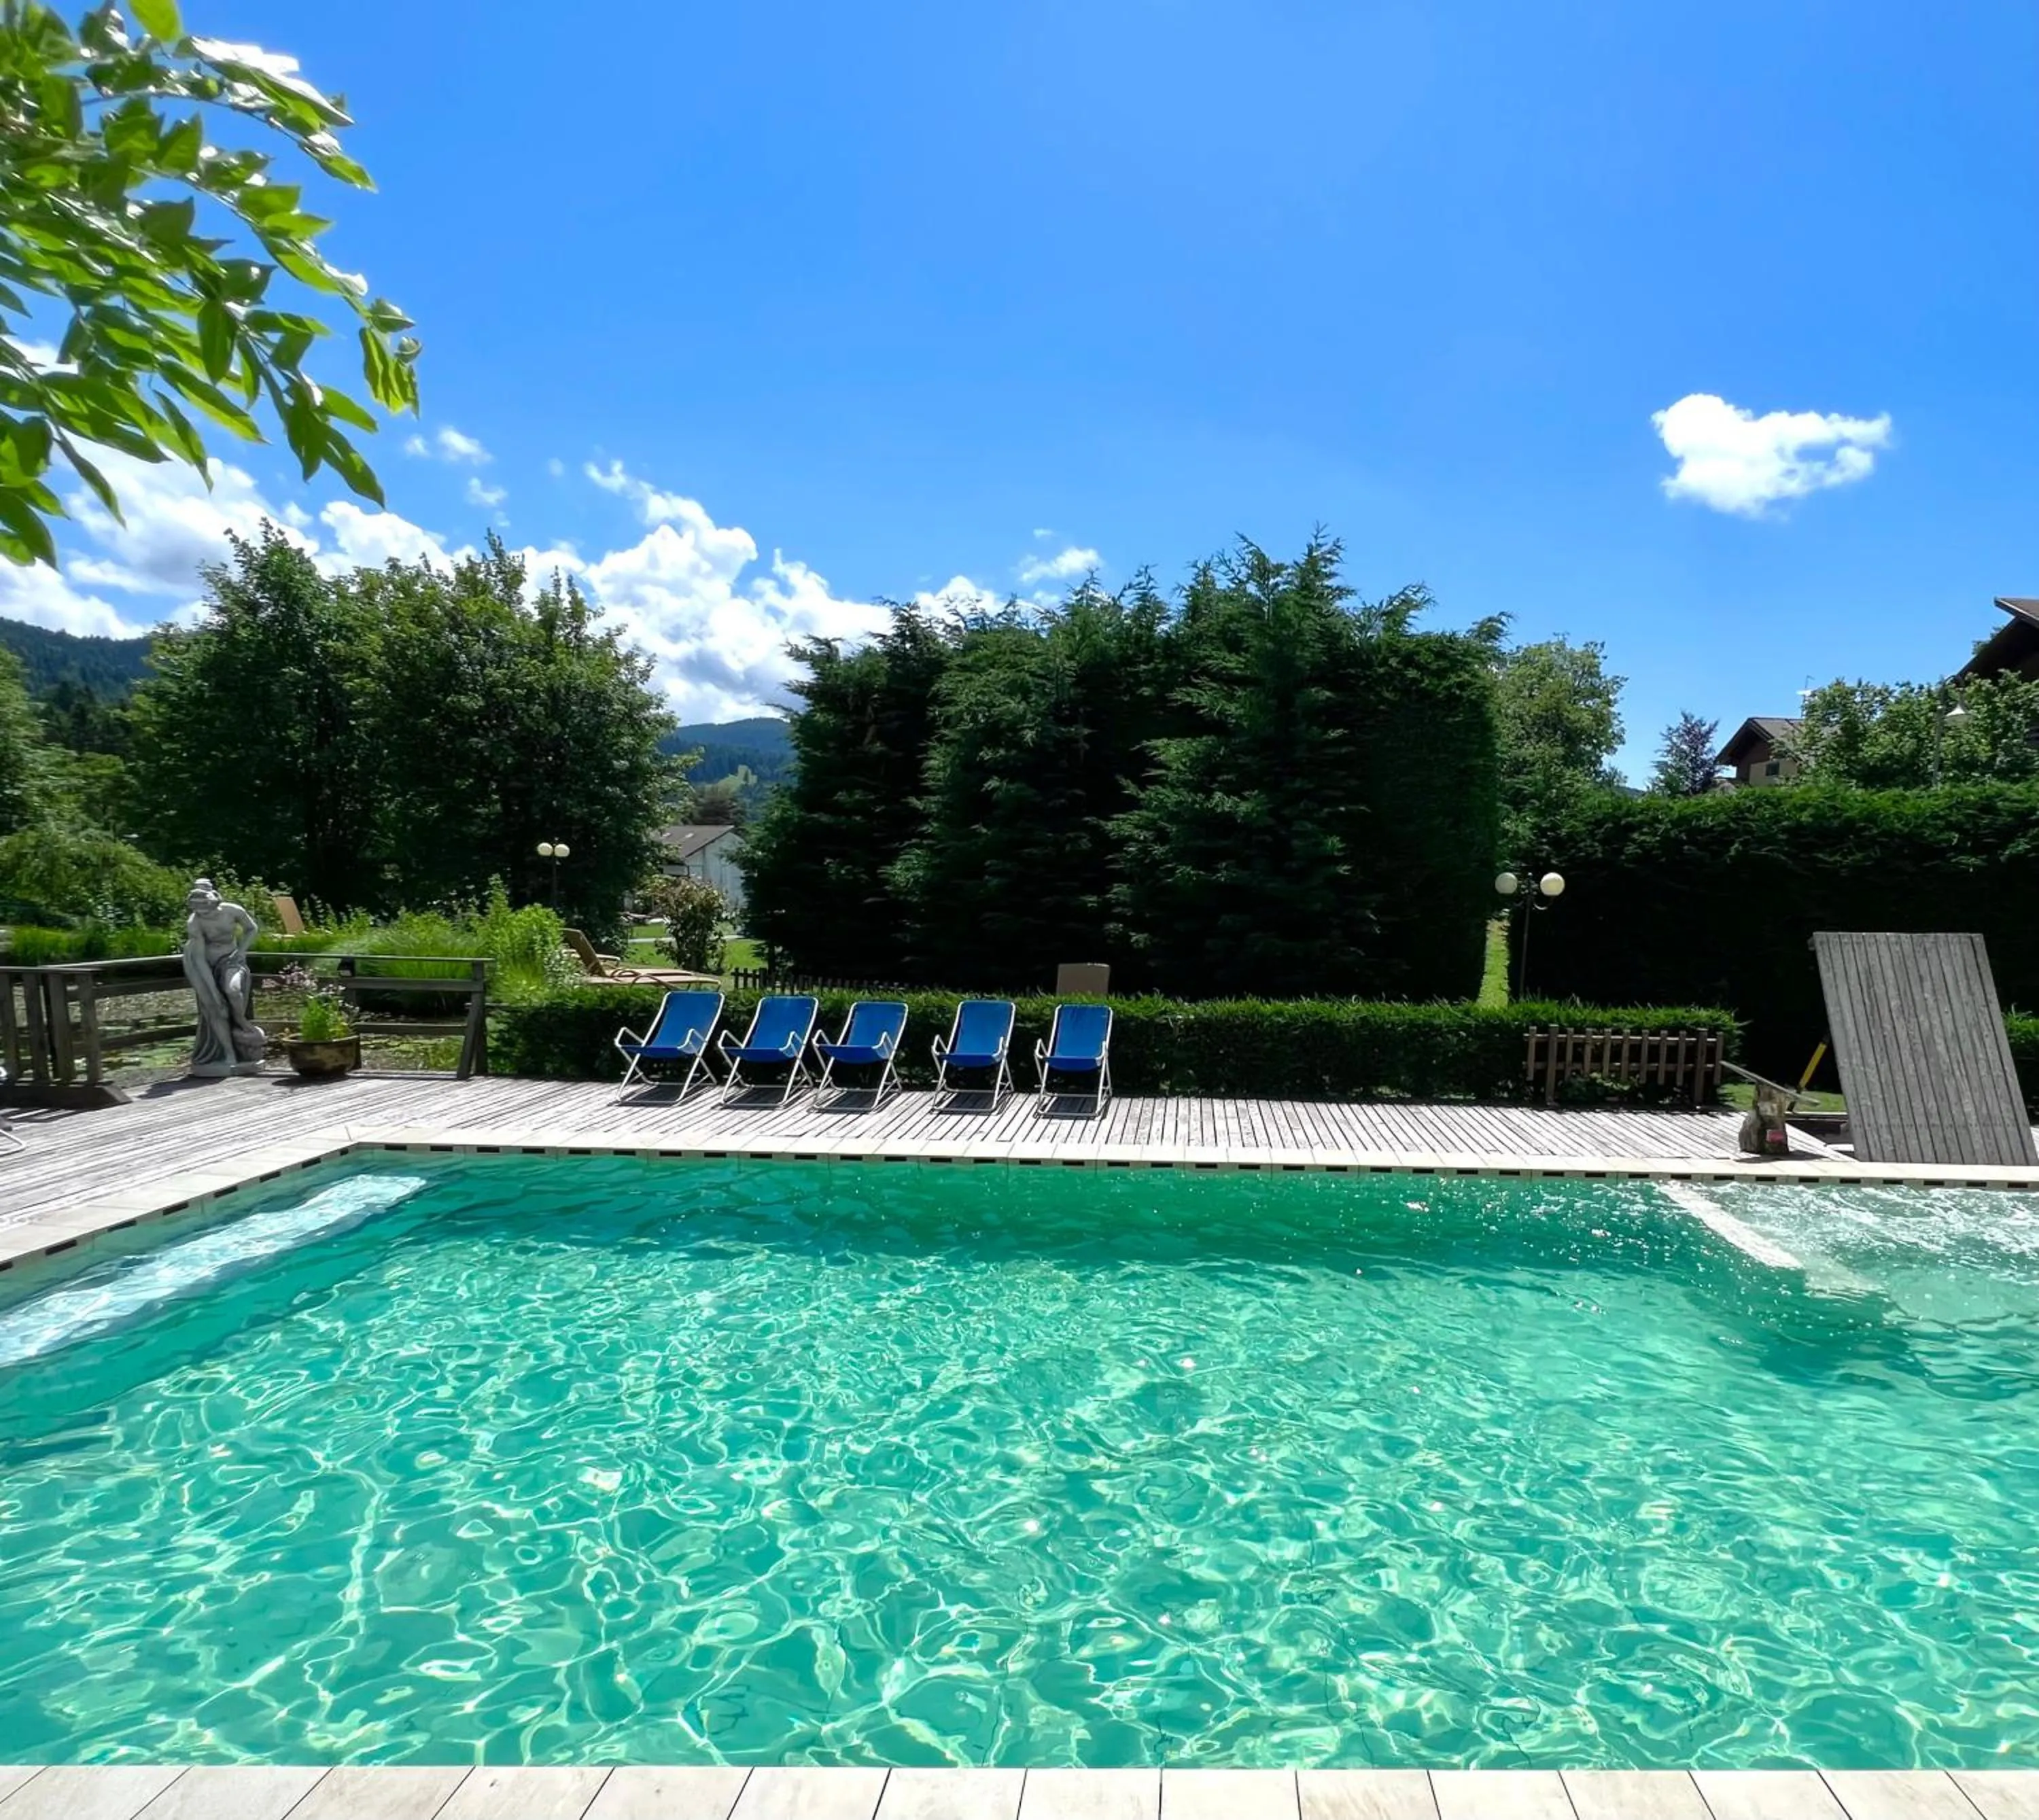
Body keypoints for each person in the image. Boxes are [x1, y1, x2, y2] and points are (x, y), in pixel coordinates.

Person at [181, 879, 266, 1077]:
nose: (203, 911)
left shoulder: (232, 911)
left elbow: (251, 928)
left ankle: (240, 1020)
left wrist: (242, 951)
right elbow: (201, 960)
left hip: (231, 960)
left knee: (233, 990)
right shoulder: (195, 922)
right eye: (198, 907)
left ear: (214, 899)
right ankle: (229, 1054)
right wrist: (212, 991)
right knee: (215, 1008)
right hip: (205, 966)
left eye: (205, 906)